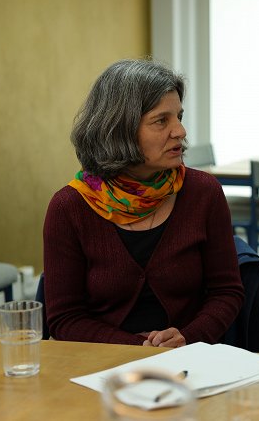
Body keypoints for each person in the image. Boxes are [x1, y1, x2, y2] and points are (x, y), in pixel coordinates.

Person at [43, 59, 244, 347]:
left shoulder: (203, 192)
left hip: (191, 363)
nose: (180, 131)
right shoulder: (69, 208)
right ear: (120, 129)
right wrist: (137, 349)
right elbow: (65, 319)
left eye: (179, 117)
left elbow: (227, 292)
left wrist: (189, 337)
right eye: (162, 120)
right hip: (103, 369)